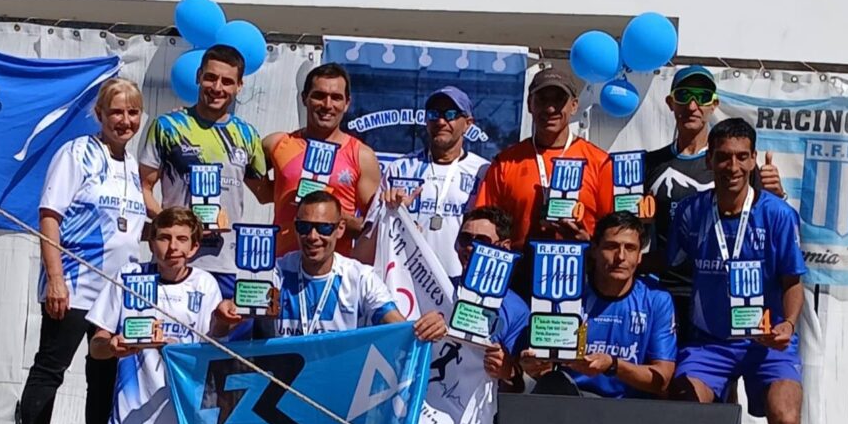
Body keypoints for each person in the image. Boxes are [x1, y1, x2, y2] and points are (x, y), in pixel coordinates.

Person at [668, 118, 806, 424]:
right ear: (708, 160)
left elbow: (793, 281)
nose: (732, 166)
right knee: (689, 403)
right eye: (724, 157)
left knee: (785, 414)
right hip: (712, 341)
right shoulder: (691, 211)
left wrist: (786, 325)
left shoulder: (777, 214)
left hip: (767, 340)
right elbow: (669, 266)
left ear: (752, 160)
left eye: (741, 157)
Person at [17, 77, 146, 424]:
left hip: (116, 292)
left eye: (132, 113)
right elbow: (50, 216)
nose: (124, 121)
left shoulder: (132, 165)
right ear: (100, 115)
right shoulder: (77, 153)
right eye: (116, 112)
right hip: (73, 282)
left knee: (105, 377)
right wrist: (54, 277)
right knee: (50, 371)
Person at [86, 207, 223, 424]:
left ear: (194, 247)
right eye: (164, 238)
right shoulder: (129, 276)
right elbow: (95, 347)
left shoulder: (204, 285)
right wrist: (112, 346)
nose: (172, 247)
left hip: (185, 410)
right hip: (137, 407)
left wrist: (221, 325)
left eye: (182, 239)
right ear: (151, 243)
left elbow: (214, 350)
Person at [643, 66, 784, 343]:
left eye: (702, 96)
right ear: (671, 103)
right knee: (670, 377)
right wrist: (638, 221)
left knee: (720, 375)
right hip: (667, 289)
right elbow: (631, 229)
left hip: (721, 288)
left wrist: (778, 195)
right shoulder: (651, 163)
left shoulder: (735, 162)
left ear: (714, 104)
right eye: (684, 96)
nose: (692, 106)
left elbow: (762, 220)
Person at [213, 191, 445, 341]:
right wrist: (223, 317)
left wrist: (426, 328)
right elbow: (222, 331)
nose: (313, 236)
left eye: (324, 228)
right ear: (295, 228)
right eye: (304, 227)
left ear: (340, 229)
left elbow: (397, 327)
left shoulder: (360, 278)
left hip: (336, 397)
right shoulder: (276, 273)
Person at [139, 44, 266, 304]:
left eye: (227, 81)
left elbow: (265, 193)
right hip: (175, 260)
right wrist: (172, 225)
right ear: (198, 76)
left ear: (239, 86)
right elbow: (143, 187)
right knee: (171, 338)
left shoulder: (248, 134)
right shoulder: (167, 127)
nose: (217, 87)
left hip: (227, 263)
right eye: (211, 77)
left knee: (222, 341)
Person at [474, 67, 613, 296]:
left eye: (559, 100)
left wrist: (589, 243)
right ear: (530, 104)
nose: (550, 108)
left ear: (574, 106)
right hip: (517, 279)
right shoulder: (505, 163)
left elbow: (614, 230)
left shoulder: (599, 162)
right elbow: (483, 225)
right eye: (542, 99)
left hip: (581, 275)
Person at [437, 206, 531, 424]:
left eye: (481, 240)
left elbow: (526, 385)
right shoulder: (437, 290)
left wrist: (509, 372)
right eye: (465, 239)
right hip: (430, 423)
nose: (470, 248)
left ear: (503, 248)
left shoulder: (518, 310)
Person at [520, 211, 677, 398]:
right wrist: (535, 366)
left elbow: (663, 378)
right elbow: (542, 366)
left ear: (640, 256)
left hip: (631, 409)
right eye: (611, 246)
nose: (620, 256)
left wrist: (613, 365)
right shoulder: (565, 294)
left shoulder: (657, 299)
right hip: (573, 400)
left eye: (630, 248)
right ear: (594, 249)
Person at [354, 86, 490, 277]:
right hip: (406, 282)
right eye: (434, 114)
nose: (441, 121)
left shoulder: (483, 171)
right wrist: (388, 213)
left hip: (459, 283)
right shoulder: (400, 169)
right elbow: (365, 247)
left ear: (468, 123)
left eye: (450, 114)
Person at [250, 63, 381, 258]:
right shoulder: (276, 144)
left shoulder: (362, 156)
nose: (328, 105)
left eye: (336, 97)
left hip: (335, 273)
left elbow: (372, 228)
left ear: (347, 103)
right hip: (283, 268)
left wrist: (330, 218)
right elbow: (263, 194)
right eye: (319, 96)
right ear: (304, 98)